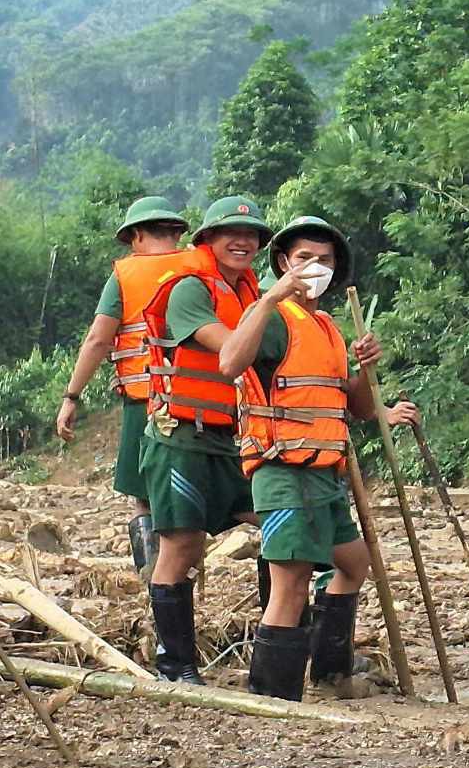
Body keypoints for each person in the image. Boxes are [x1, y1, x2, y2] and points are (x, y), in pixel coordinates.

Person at [221, 216, 420, 699]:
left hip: (325, 473)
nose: (315, 267)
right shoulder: (271, 317)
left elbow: (354, 405)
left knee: (353, 563)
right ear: (284, 263)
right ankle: (273, 697)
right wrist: (269, 298)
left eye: (325, 260)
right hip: (283, 470)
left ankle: (331, 677)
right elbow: (229, 363)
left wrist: (365, 373)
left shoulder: (327, 326)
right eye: (305, 258)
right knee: (289, 585)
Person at [136, 195, 271, 683]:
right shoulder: (190, 290)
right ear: (207, 241)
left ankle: (275, 655)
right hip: (182, 437)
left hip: (233, 438)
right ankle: (176, 666)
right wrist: (274, 307)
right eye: (231, 234)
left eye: (253, 235)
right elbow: (233, 350)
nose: (243, 242)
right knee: (182, 545)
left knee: (278, 526)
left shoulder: (251, 294)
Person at [54, 196, 193, 579]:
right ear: (178, 232)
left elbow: (99, 339)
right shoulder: (202, 267)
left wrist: (71, 397)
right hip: (205, 403)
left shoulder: (125, 276)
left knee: (144, 497)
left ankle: (156, 583)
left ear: (136, 236)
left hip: (147, 402)